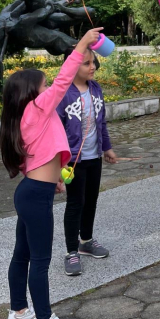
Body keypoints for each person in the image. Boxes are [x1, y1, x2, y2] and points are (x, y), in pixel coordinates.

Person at [0, 27, 101, 319]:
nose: (49, 92)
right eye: (42, 88)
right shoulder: (38, 109)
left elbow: (38, 153)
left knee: (23, 255)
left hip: (32, 190)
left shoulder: (27, 118)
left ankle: (18, 313)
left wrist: (55, 176)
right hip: (34, 196)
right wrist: (82, 45)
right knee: (40, 261)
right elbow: (61, 82)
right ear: (32, 94)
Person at [57, 50, 118, 277]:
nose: (92, 67)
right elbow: (57, 129)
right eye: (86, 63)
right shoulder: (63, 94)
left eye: (93, 62)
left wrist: (107, 148)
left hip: (94, 157)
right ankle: (71, 251)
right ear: (73, 66)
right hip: (73, 160)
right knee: (75, 202)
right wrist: (59, 161)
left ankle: (86, 240)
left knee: (91, 199)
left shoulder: (95, 89)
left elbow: (101, 123)